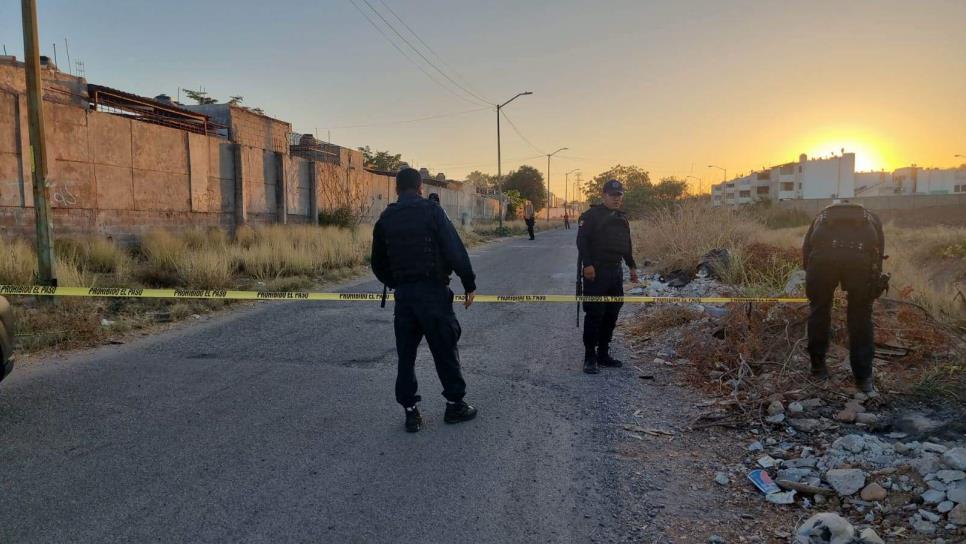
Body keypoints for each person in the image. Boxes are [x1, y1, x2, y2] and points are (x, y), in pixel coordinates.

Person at [371, 168, 479, 432]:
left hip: (405, 298)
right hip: (433, 294)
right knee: (445, 350)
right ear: (420, 188)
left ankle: (411, 412)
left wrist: (398, 283)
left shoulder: (386, 218)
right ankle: (455, 405)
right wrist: (469, 283)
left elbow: (377, 264)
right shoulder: (432, 212)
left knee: (406, 356)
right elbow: (454, 249)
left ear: (396, 189)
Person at [802, 201, 885, 393]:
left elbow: (807, 254)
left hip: (822, 261)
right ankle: (863, 379)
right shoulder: (872, 218)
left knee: (819, 311)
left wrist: (815, 285)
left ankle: (818, 368)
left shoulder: (821, 216)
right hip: (861, 263)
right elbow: (878, 256)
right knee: (861, 316)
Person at [577, 179, 638, 374]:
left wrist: (632, 266)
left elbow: (625, 244)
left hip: (615, 272)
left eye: (619, 195)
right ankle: (589, 357)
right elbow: (582, 241)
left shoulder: (622, 218)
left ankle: (603, 353)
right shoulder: (591, 215)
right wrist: (587, 265)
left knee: (612, 313)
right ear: (603, 196)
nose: (616, 199)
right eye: (612, 195)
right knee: (595, 314)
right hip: (596, 272)